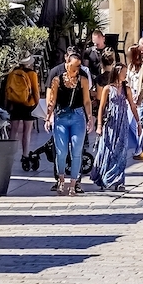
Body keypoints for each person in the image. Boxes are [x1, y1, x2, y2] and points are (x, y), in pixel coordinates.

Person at [45, 50, 94, 195]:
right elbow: (52, 101)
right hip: (61, 116)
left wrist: (90, 117)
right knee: (61, 152)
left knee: (77, 151)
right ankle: (61, 179)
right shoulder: (57, 79)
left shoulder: (83, 79)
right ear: (67, 64)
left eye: (79, 66)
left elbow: (86, 100)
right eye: (74, 66)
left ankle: (73, 183)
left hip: (77, 116)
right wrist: (48, 117)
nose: (77, 69)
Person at [92, 63, 140, 193]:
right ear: (117, 72)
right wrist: (99, 126)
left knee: (122, 152)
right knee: (108, 151)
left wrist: (138, 123)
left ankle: (119, 181)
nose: (126, 74)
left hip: (122, 123)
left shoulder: (127, 89)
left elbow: (133, 106)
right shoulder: (107, 88)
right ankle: (105, 177)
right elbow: (101, 107)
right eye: (124, 72)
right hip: (111, 124)